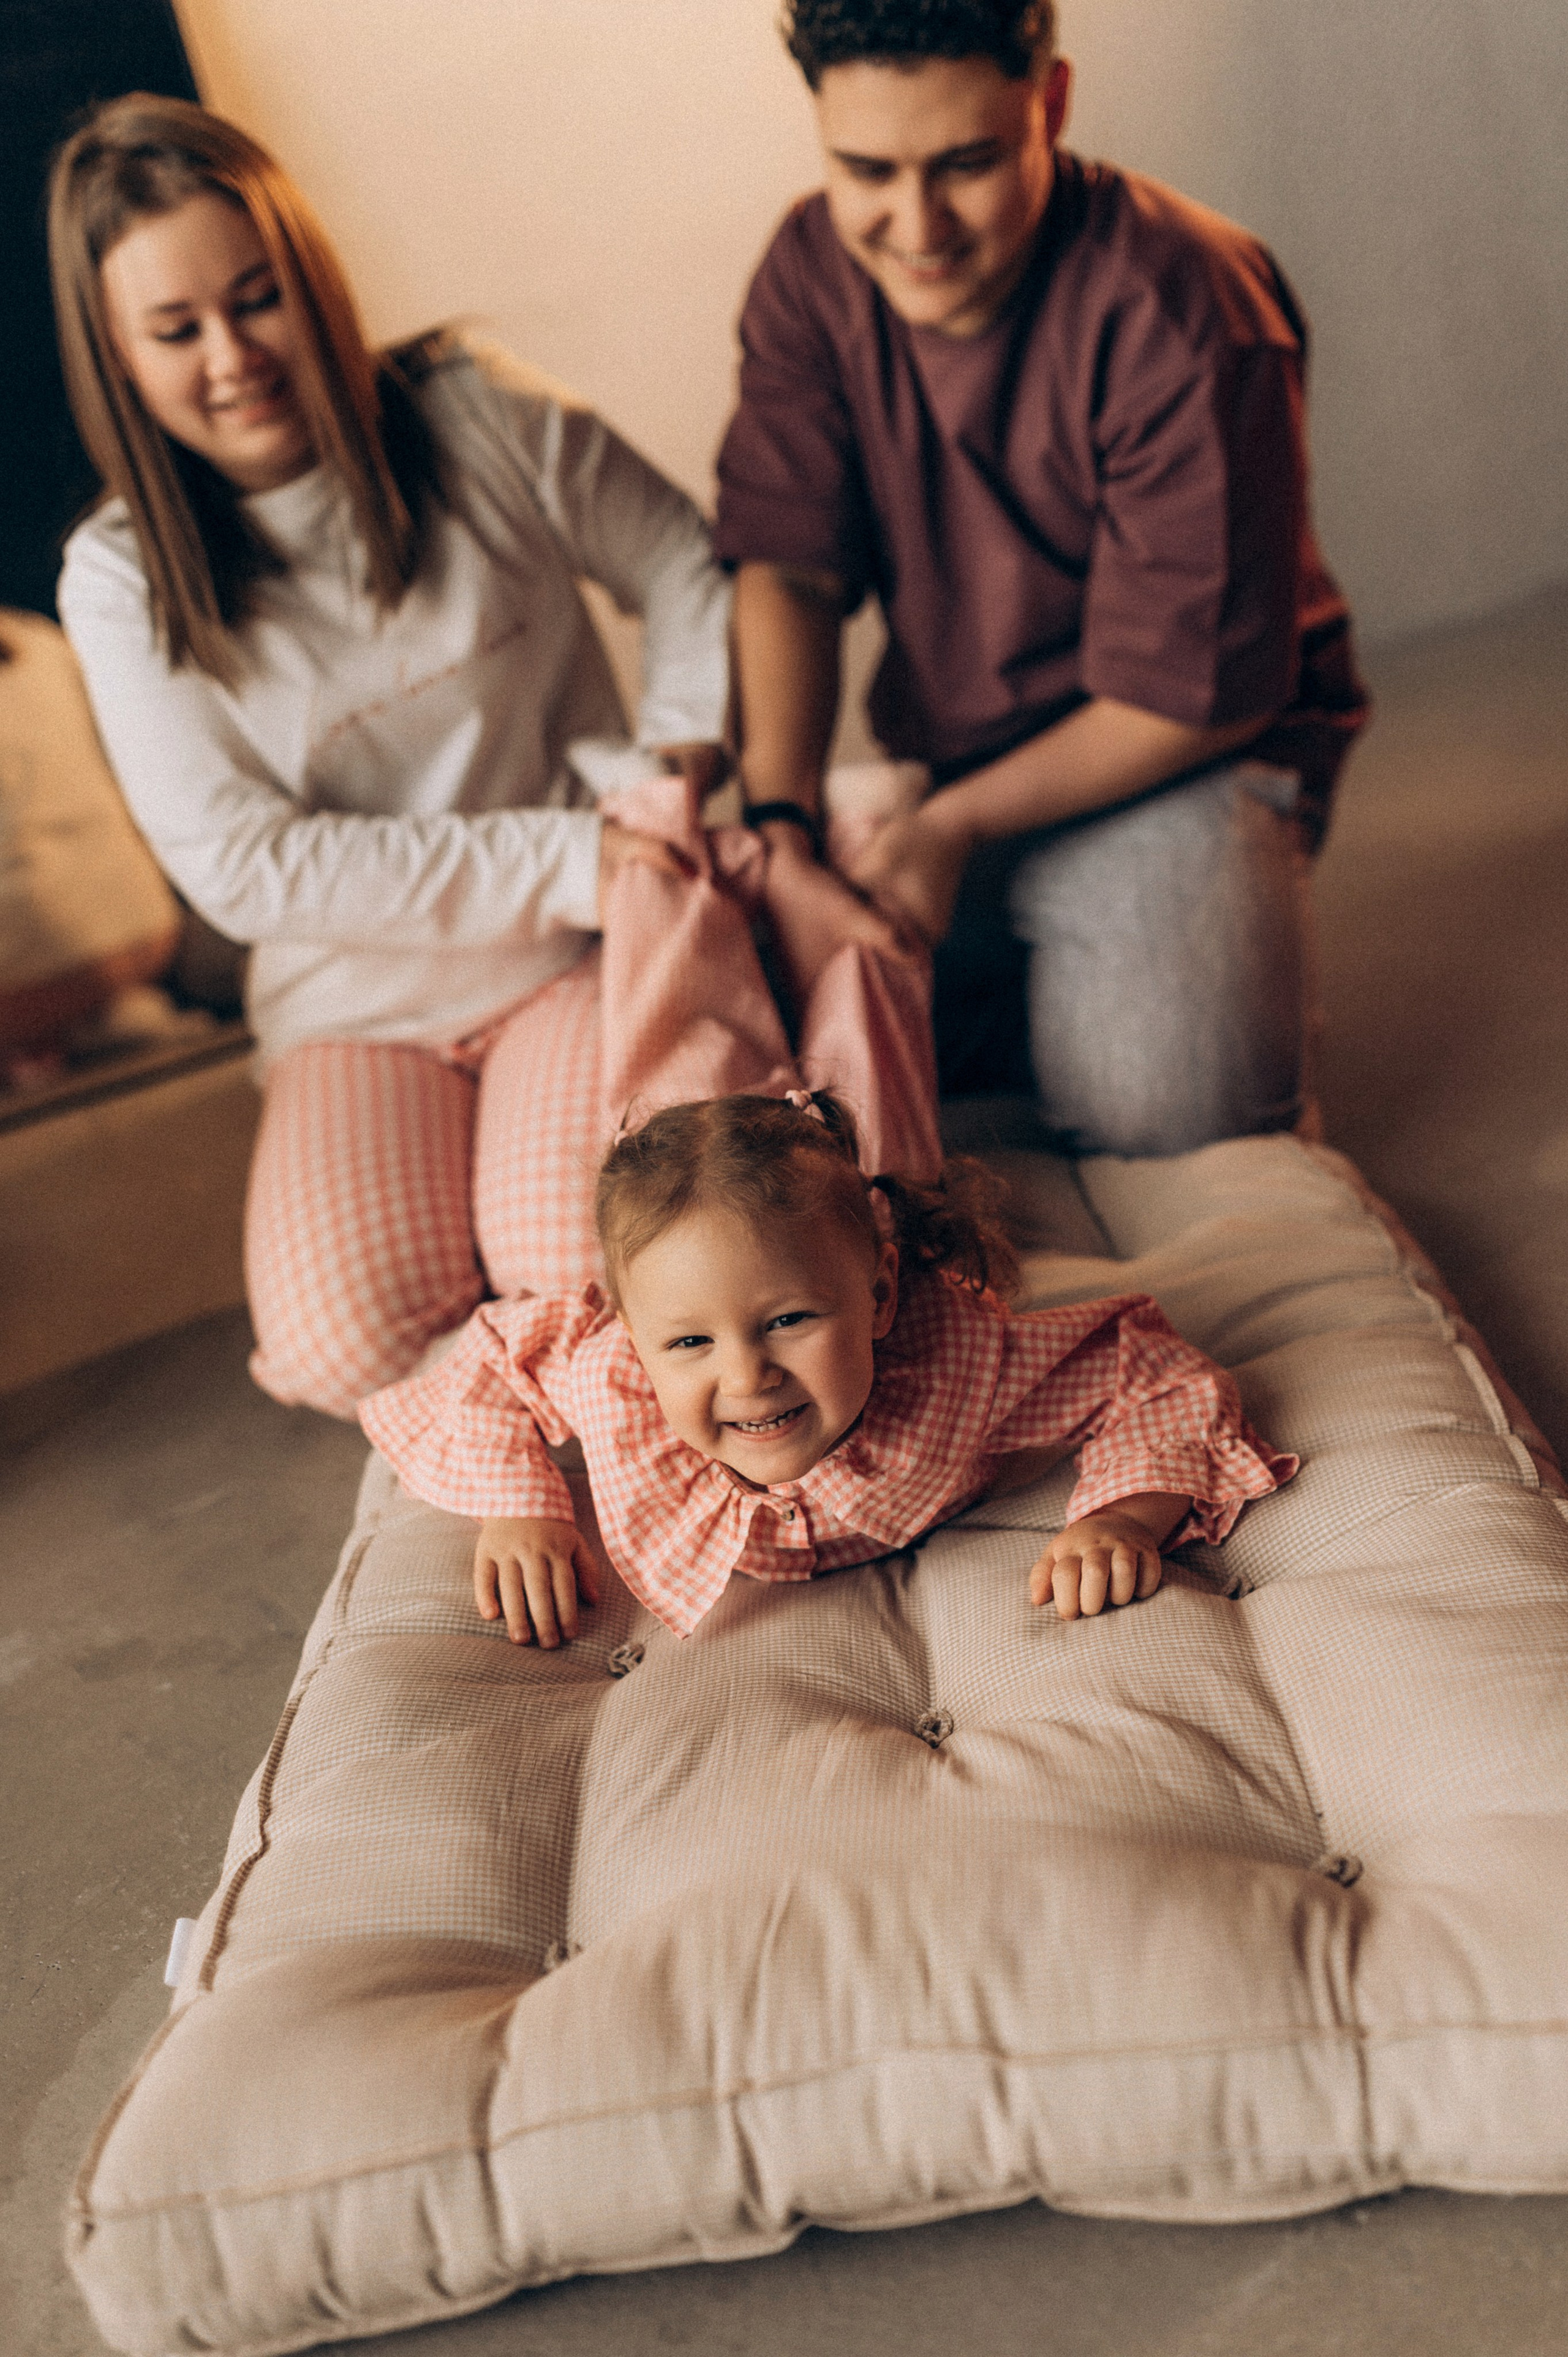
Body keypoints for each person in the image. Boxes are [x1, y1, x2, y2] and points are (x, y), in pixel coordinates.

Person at [48, 94, 731, 1419]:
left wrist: (676, 762)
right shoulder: (117, 579)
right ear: (120, 360)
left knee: (581, 1262)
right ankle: (523, 1420)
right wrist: (569, 850)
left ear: (310, 278)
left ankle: (537, 1387)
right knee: (331, 1338)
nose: (233, 356)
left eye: (256, 299)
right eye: (176, 330)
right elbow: (247, 872)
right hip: (355, 1012)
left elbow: (685, 566)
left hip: (566, 961)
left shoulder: (481, 413)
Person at [715, 0, 1370, 1156]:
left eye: (966, 164)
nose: (916, 225)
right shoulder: (805, 271)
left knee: (1167, 1118)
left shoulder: (1189, 302)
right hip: (957, 755)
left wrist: (953, 829)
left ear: (1050, 104)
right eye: (866, 168)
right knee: (775, 1043)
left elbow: (1194, 697)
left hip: (1182, 758)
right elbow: (790, 571)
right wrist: (779, 819)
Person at [360, 1090, 1295, 1646]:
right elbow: (487, 1357)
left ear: (881, 1299)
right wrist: (521, 1505)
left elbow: (1152, 1374)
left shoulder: (958, 1361)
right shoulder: (610, 1374)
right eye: (689, 1342)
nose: (747, 1375)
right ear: (637, 1337)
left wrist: (1122, 1517)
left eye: (790, 1321)